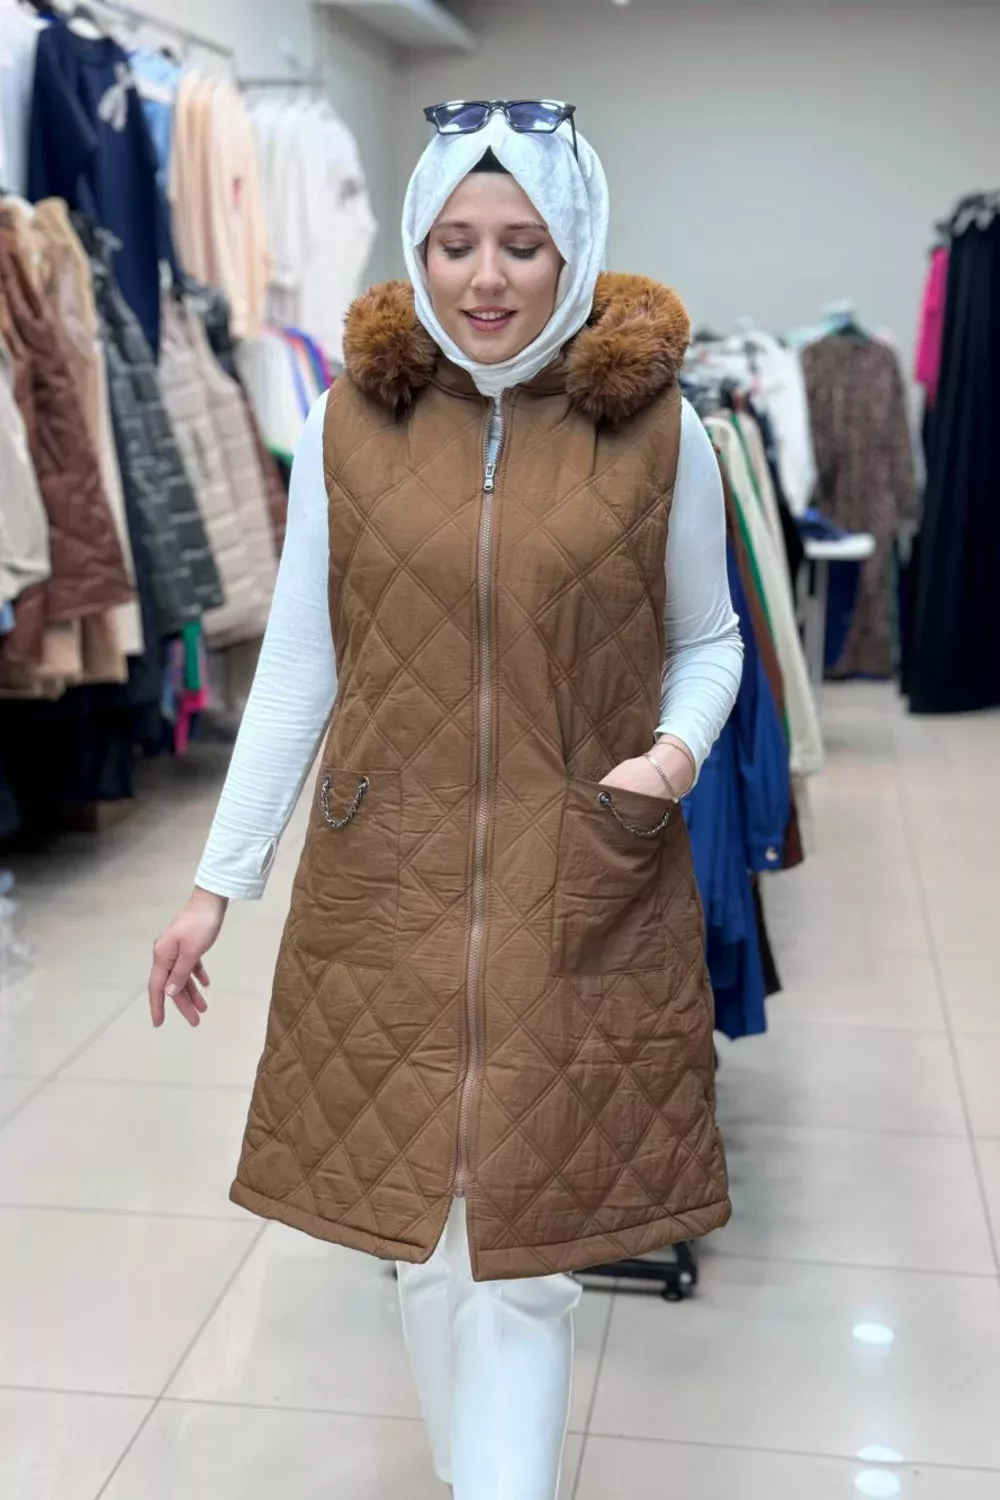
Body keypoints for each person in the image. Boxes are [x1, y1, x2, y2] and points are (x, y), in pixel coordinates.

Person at [148, 101, 743, 1500]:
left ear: (573, 246)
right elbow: (303, 660)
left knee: (523, 1259)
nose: (486, 277)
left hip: (578, 884)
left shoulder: (661, 429)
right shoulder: (346, 422)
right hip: (387, 884)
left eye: (522, 244)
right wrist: (217, 883)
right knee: (427, 1241)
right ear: (417, 246)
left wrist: (667, 761)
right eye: (455, 242)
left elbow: (710, 639)